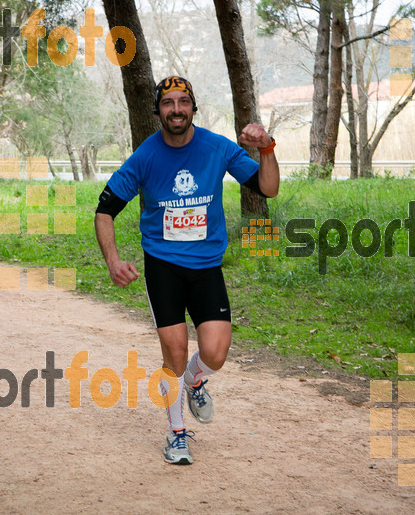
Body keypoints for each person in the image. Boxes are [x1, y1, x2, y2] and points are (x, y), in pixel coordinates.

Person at [94, 76, 279, 465]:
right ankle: (177, 433)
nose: (175, 109)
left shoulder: (216, 147)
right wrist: (113, 260)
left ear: (193, 107)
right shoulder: (146, 156)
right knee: (174, 353)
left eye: (183, 102)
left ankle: (195, 380)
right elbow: (105, 210)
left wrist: (266, 148)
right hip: (163, 266)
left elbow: (267, 188)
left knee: (214, 353)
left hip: (206, 265)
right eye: (168, 103)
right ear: (158, 110)